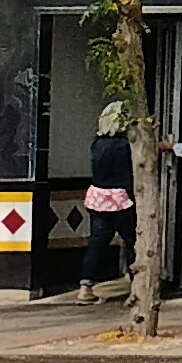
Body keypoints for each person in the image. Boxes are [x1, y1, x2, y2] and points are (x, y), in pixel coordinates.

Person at [79, 104, 134, 299]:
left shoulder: (96, 144)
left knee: (97, 243)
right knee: (132, 241)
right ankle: (137, 284)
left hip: (97, 197)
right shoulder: (125, 145)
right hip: (121, 199)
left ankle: (85, 286)